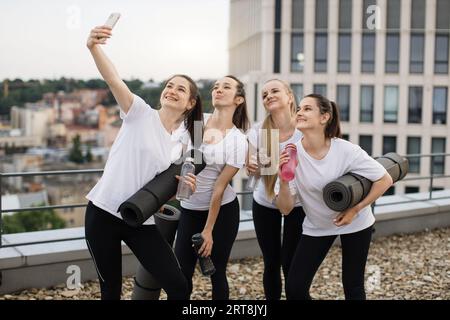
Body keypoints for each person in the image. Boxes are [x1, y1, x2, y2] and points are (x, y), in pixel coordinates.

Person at [84, 25, 202, 300]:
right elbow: (113, 79)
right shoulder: (139, 113)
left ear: (189, 103)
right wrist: (93, 47)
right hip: (102, 213)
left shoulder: (182, 143)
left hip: (138, 219)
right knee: (110, 290)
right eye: (169, 85)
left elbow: (161, 191)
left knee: (178, 286)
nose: (172, 90)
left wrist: (183, 188)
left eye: (180, 89)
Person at [276, 94, 393, 300]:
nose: (300, 112)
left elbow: (384, 180)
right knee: (295, 289)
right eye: (299, 109)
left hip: (356, 221)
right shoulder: (291, 152)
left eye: (307, 109)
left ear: (324, 117)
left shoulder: (346, 150)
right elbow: (285, 208)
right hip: (317, 225)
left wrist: (355, 209)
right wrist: (284, 179)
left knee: (353, 285)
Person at [174, 75, 249, 300]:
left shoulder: (237, 140)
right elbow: (177, 163)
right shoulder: (196, 122)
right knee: (181, 273)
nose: (218, 89)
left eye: (226, 87)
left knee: (216, 272)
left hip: (222, 213)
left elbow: (219, 186)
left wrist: (208, 231)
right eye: (216, 86)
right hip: (189, 209)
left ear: (239, 100)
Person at [246, 79, 305, 300]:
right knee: (271, 262)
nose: (268, 95)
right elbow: (252, 171)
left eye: (274, 91)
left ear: (289, 96)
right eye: (264, 94)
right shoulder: (257, 131)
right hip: (265, 202)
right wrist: (254, 166)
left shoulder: (304, 128)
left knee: (291, 262)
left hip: (298, 204)